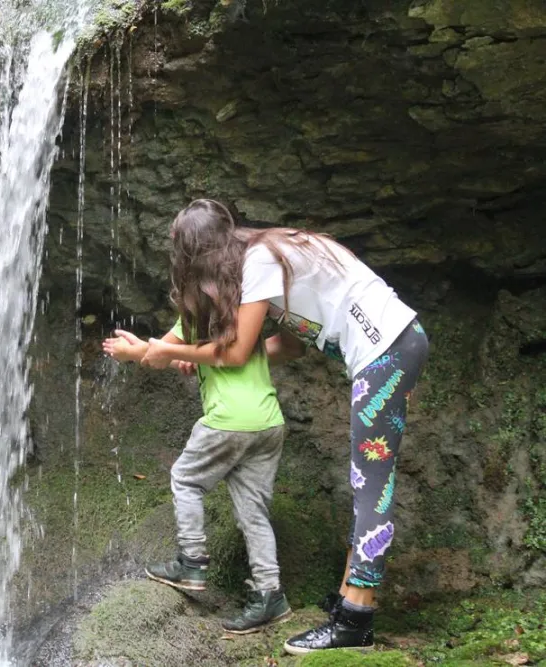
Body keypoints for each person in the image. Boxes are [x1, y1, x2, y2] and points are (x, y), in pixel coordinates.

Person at [135, 199, 429, 655]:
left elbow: (233, 352)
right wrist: (204, 361)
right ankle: (353, 598)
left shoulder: (259, 263)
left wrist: (173, 351)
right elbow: (287, 347)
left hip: (387, 350)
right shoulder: (271, 260)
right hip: (392, 347)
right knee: (366, 485)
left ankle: (355, 620)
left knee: (371, 487)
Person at [102, 262, 291, 634]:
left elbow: (156, 354)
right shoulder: (245, 314)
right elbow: (192, 356)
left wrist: (131, 353)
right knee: (253, 511)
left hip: (228, 422)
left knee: (186, 479)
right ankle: (270, 594)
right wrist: (182, 356)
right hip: (268, 423)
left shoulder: (190, 318)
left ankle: (191, 562)